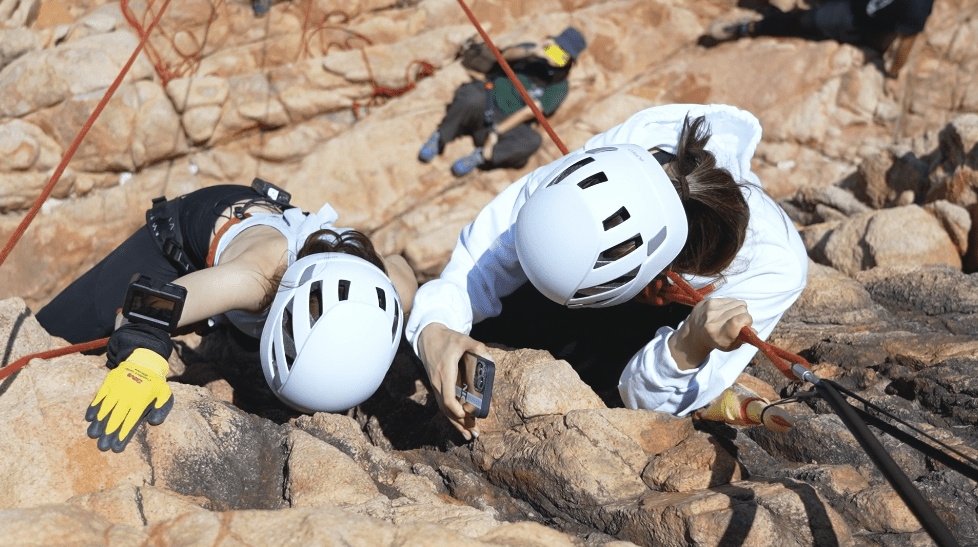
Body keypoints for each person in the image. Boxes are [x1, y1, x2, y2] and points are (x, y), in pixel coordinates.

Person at [405, 103, 809, 439]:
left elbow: (646, 401)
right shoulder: (621, 154)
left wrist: (689, 345)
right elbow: (485, 254)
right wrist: (434, 329)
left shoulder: (774, 268)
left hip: (647, 333)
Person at [36, 182, 418, 452]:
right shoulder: (253, 279)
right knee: (51, 335)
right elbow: (148, 304)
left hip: (264, 222)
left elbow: (401, 265)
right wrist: (146, 359)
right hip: (182, 238)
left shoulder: (392, 292)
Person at [417, 26, 587, 177]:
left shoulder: (560, 86)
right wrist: (533, 52)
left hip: (508, 122)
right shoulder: (530, 51)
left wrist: (497, 131)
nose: (556, 56)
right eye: (556, 49)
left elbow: (529, 112)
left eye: (563, 55)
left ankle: (481, 156)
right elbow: (504, 55)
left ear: (570, 62)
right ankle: (441, 136)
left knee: (532, 141)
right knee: (470, 95)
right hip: (488, 100)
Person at [704, 0, 934, 77]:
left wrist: (892, 72)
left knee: (809, 21)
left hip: (859, 22)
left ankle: (749, 28)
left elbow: (906, 43)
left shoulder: (917, 7)